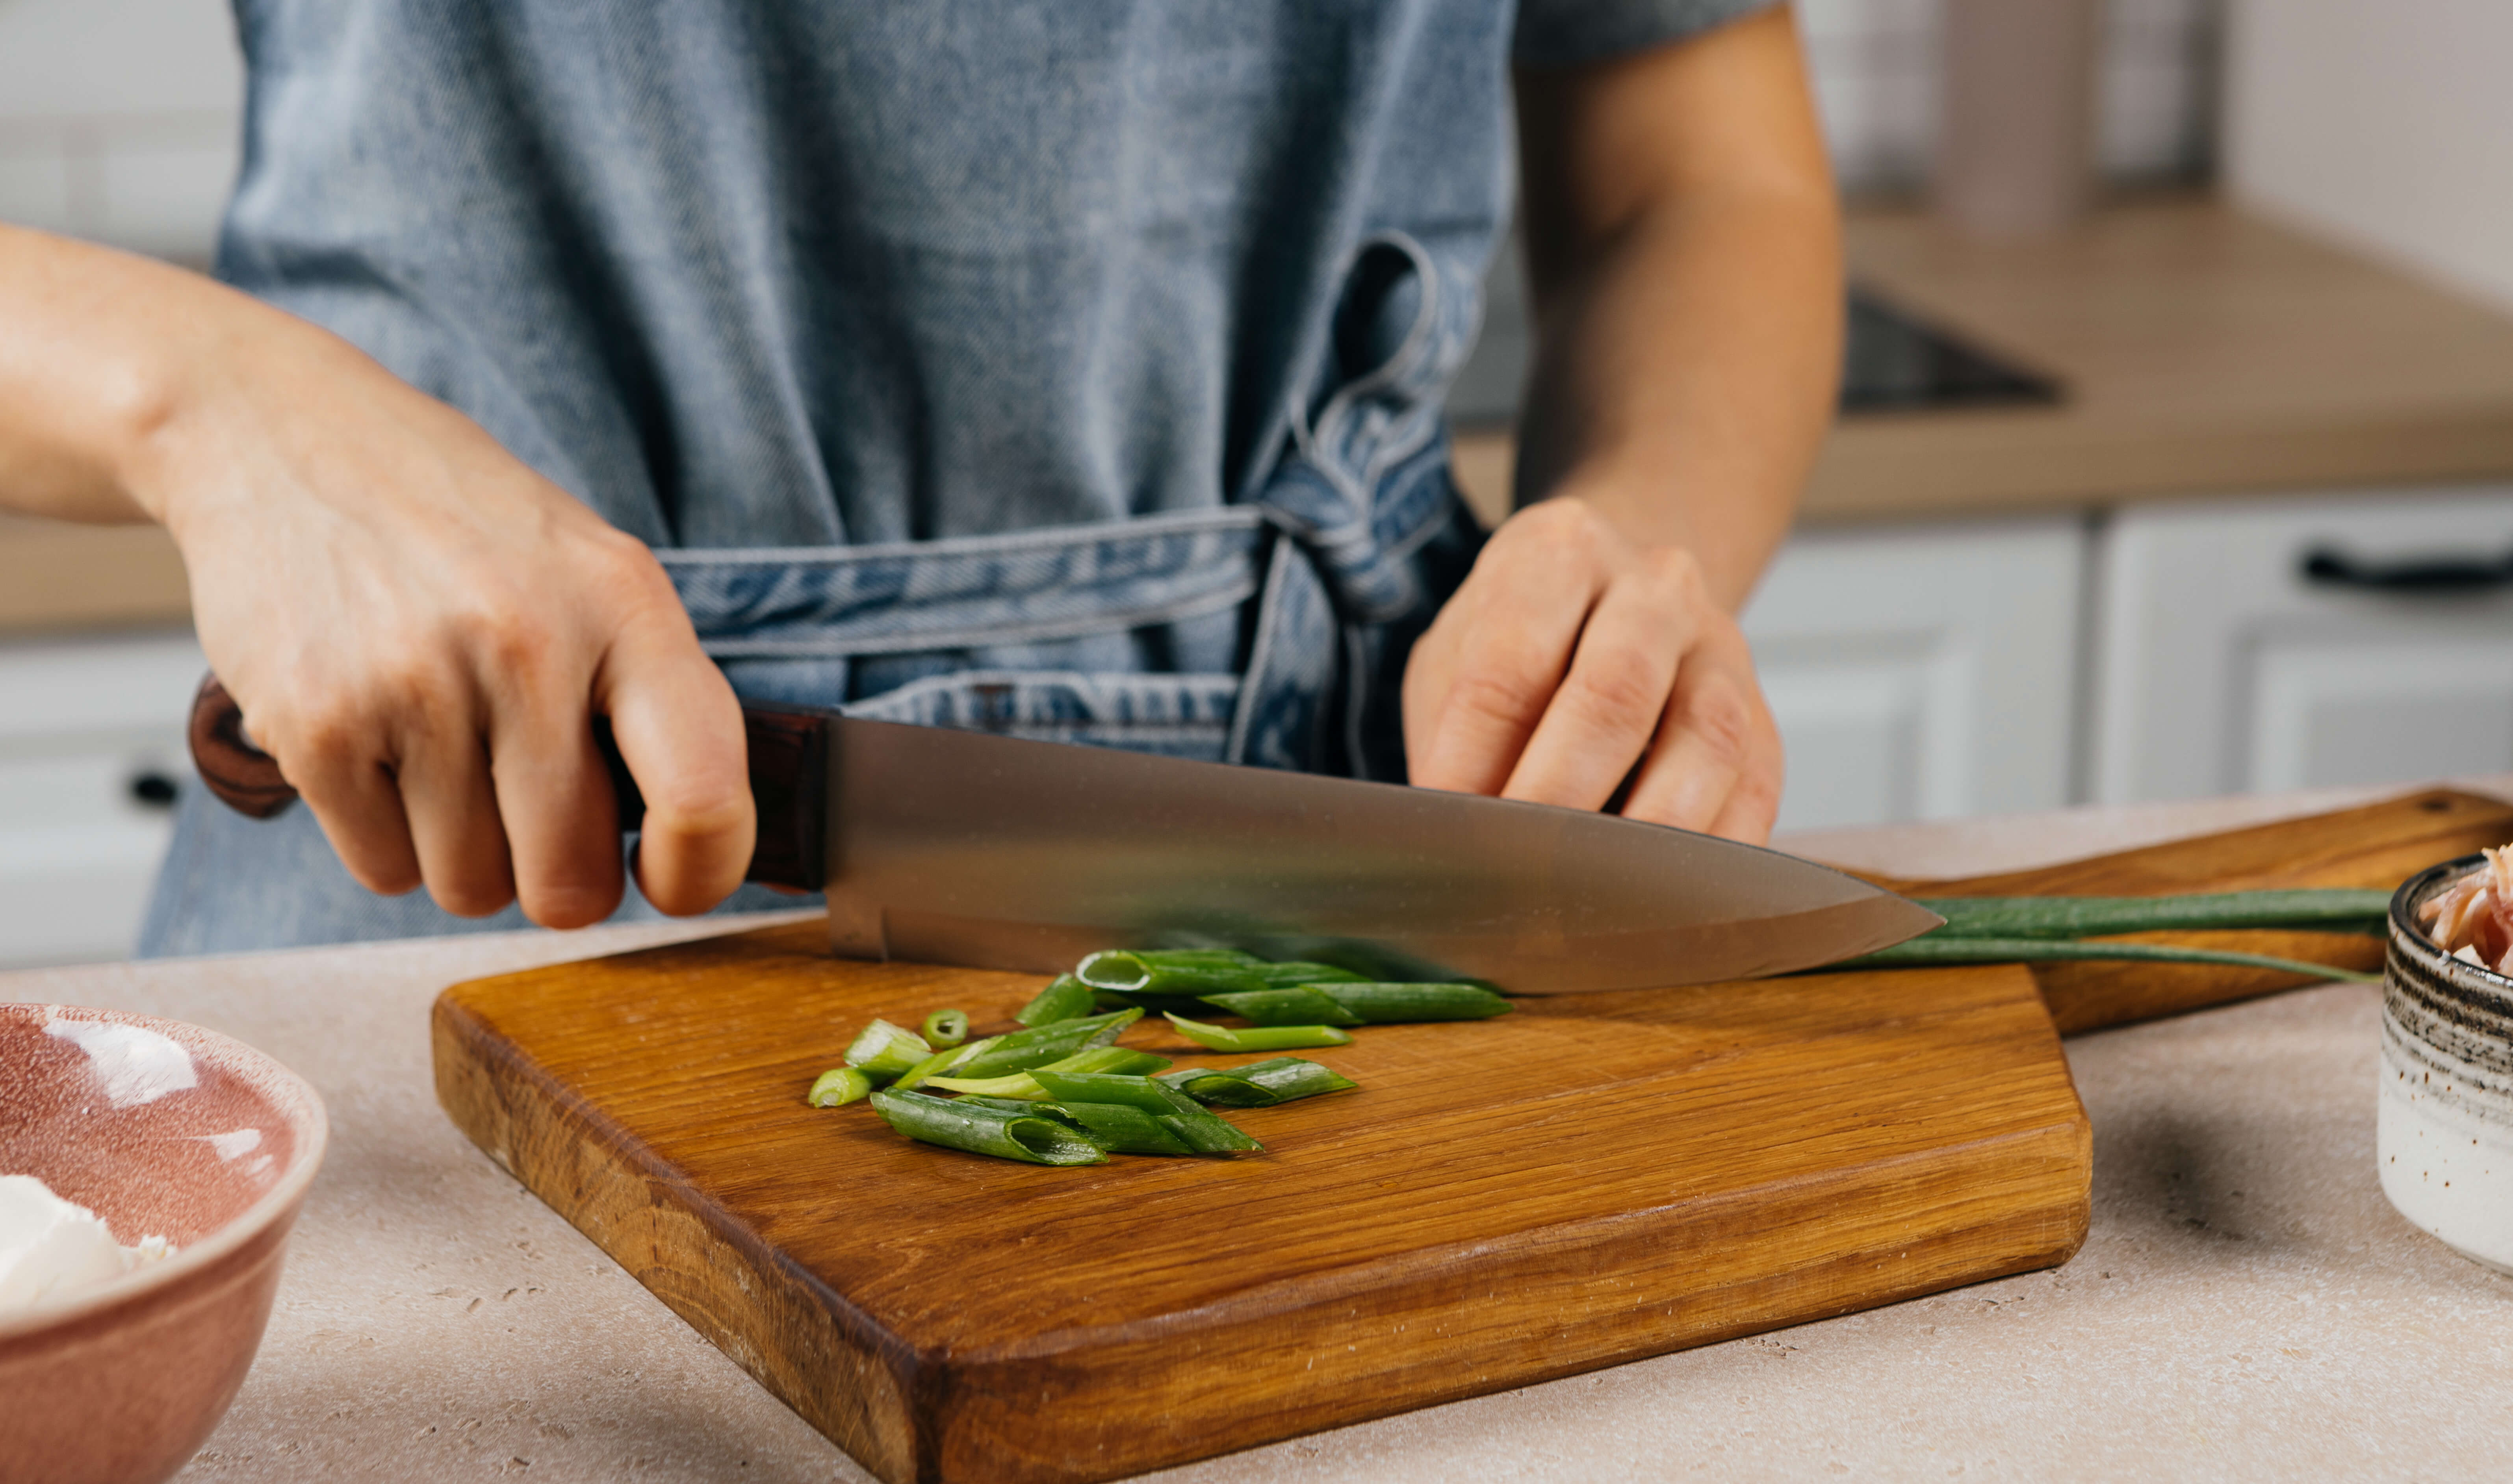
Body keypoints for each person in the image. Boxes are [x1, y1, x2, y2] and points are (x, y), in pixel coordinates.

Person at [0, 0, 1839, 955]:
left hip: (1370, 872)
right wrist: (216, 407)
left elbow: (1702, 180)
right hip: (451, 881)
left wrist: (1637, 541)